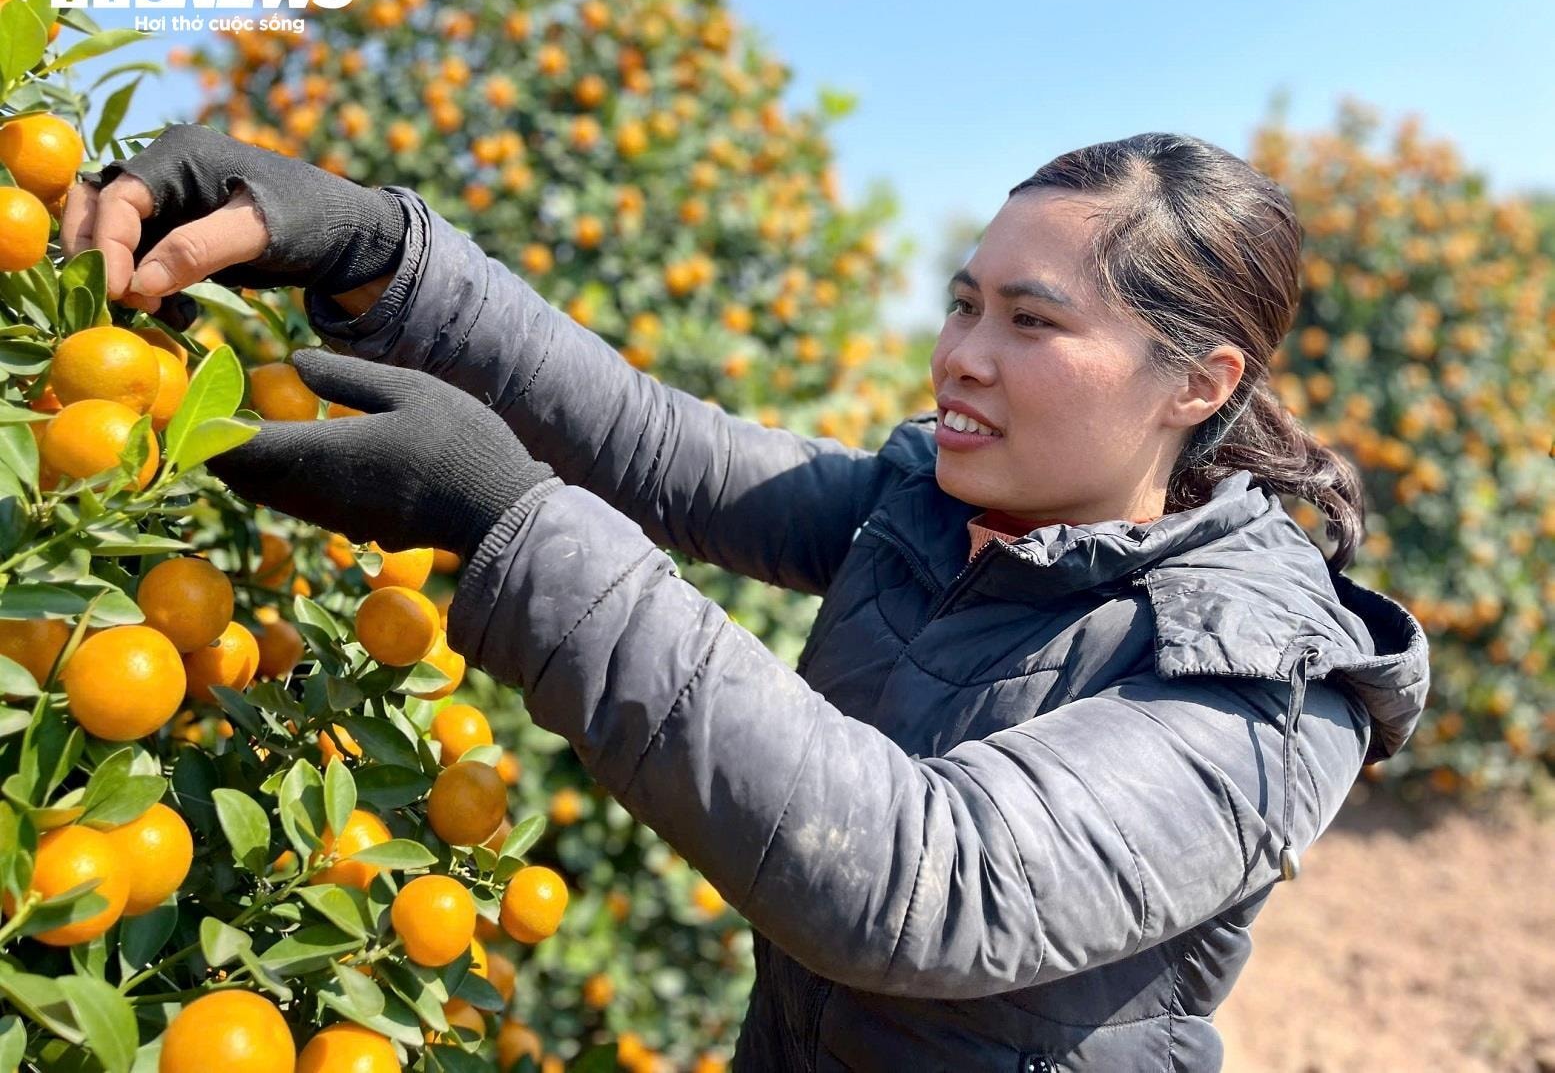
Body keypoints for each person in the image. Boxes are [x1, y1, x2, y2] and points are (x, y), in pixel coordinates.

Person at [64, 125, 1430, 1071]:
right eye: (964, 305)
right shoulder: (932, 505)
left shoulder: (1267, 679)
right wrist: (381, 249)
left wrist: (506, 521)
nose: (961, 355)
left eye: (1032, 321)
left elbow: (929, 881)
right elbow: (670, 457)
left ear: (1198, 381)